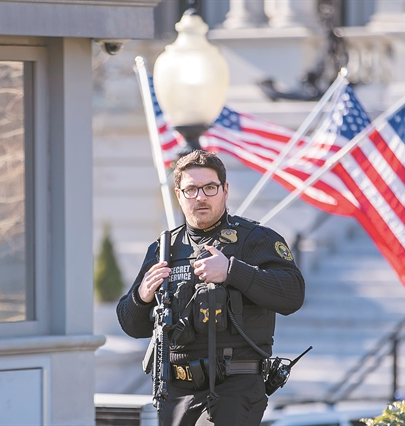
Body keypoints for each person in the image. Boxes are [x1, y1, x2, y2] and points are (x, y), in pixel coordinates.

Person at [116, 150, 305, 426]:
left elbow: (293, 294)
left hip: (235, 387)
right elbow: (132, 326)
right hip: (176, 392)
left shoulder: (255, 239)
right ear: (179, 195)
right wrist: (141, 296)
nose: (200, 197)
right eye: (191, 189)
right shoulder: (163, 249)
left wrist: (231, 272)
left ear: (225, 191)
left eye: (209, 188)